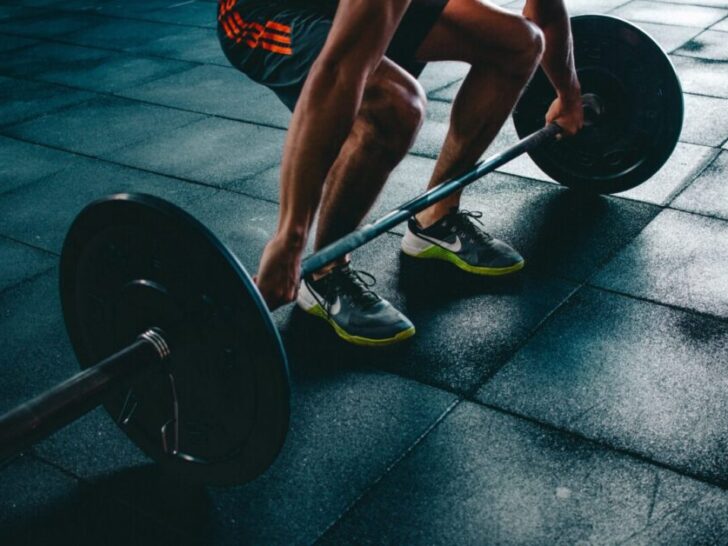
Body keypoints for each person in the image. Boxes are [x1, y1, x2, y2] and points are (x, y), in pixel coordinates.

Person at [217, 0, 583, 346]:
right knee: (396, 105)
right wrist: (290, 237)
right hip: (264, 12)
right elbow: (340, 71)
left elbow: (545, 13)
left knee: (519, 43)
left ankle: (435, 217)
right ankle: (325, 273)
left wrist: (568, 95)